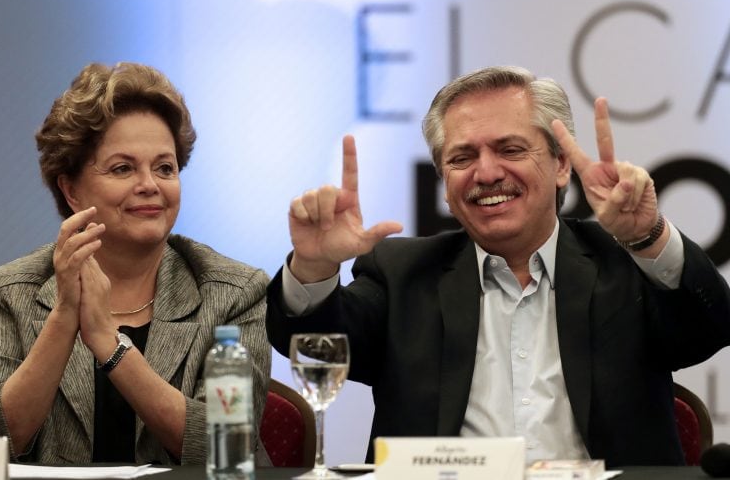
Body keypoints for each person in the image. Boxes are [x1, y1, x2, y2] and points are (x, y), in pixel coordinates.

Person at [265, 66, 730, 466]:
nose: (486, 173)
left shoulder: (623, 262)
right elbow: (319, 350)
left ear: (561, 165)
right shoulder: (403, 271)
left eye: (510, 149)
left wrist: (646, 236)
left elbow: (708, 328)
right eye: (462, 157)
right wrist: (314, 266)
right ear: (445, 183)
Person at [0, 62, 272, 466]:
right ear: (71, 189)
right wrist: (63, 319)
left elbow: (227, 449)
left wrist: (110, 346)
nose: (150, 184)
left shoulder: (234, 292)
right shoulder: (14, 291)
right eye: (123, 168)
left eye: (165, 167)